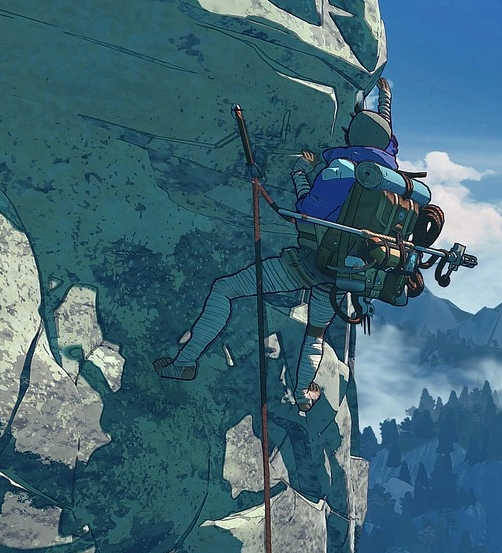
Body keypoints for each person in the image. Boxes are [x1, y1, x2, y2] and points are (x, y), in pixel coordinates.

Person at [155, 78, 429, 412]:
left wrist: (303, 173)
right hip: (347, 272)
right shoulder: (392, 177)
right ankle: (302, 394)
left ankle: (185, 363)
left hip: (309, 263)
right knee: (316, 332)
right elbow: (386, 140)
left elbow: (305, 212)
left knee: (225, 290)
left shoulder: (340, 170)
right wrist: (386, 100)